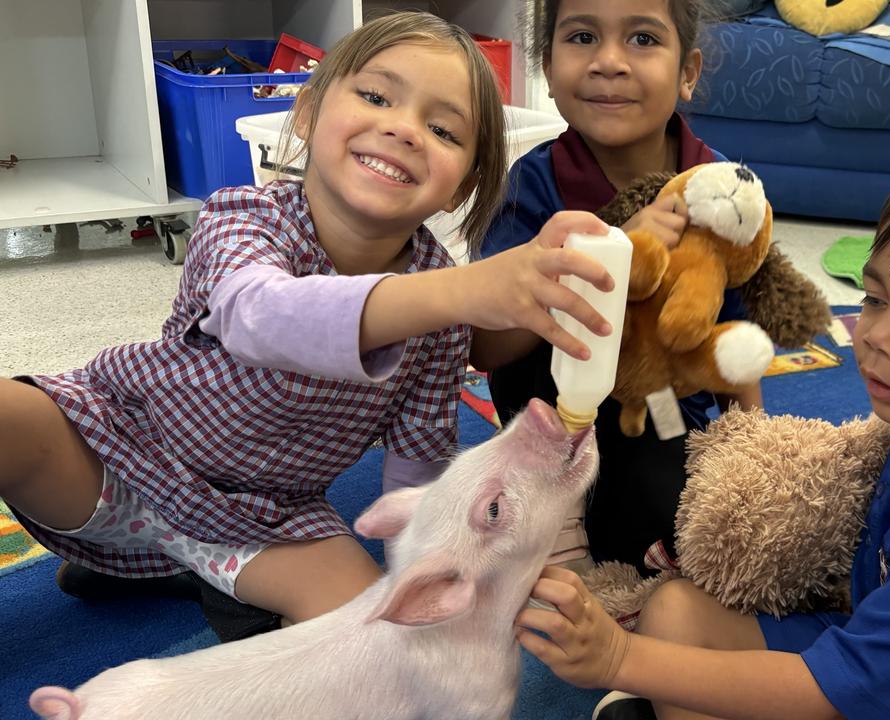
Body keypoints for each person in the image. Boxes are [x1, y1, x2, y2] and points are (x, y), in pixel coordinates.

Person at [0, 11, 617, 643]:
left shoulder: (439, 309)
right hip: (120, 448)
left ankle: (191, 570)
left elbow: (420, 463)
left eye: (442, 129)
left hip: (265, 519)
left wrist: (427, 578)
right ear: (308, 114)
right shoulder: (242, 214)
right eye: (376, 96)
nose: (403, 129)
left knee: (379, 646)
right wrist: (466, 289)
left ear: (463, 187)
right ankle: (148, 562)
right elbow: (260, 316)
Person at [517, 130, 890, 720]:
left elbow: (841, 691)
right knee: (675, 611)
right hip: (889, 651)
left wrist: (620, 659)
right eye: (875, 299)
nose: (876, 336)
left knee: (670, 660)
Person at [471, 0, 762, 576]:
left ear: (688, 72)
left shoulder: (719, 188)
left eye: (643, 40)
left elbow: (733, 345)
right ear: (548, 71)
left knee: (670, 510)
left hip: (660, 408)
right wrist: (610, 258)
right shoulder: (534, 183)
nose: (609, 62)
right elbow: (487, 348)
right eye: (581, 37)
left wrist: (753, 454)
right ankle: (552, 502)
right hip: (550, 407)